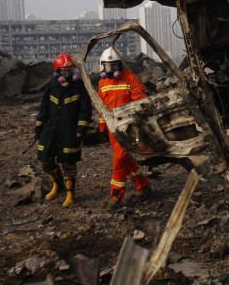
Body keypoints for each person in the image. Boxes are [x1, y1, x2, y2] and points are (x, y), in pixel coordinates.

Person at [34, 52, 91, 208]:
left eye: (70, 70)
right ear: (58, 72)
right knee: (44, 158)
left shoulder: (79, 87)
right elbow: (43, 108)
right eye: (64, 71)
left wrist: (81, 127)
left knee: (68, 163)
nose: (68, 73)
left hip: (70, 131)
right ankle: (57, 185)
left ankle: (70, 194)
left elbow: (85, 110)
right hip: (50, 130)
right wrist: (38, 126)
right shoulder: (51, 86)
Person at [97, 47, 150, 211]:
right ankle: (143, 185)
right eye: (108, 67)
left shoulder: (129, 78)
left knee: (119, 159)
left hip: (128, 126)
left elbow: (140, 98)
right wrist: (102, 127)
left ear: (120, 65)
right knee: (125, 159)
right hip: (112, 128)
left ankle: (116, 195)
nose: (112, 70)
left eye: (114, 66)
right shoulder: (102, 83)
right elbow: (101, 107)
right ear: (102, 67)